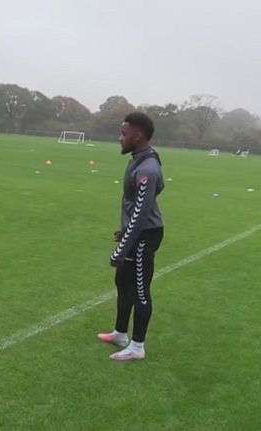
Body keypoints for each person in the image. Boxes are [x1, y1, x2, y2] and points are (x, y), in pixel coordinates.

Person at [98, 112, 165, 361]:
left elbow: (141, 212)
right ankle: (120, 333)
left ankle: (137, 347)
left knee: (140, 290)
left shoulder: (148, 168)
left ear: (137, 136)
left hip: (145, 234)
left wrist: (122, 249)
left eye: (124, 134)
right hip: (135, 231)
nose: (120, 138)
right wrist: (125, 231)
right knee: (122, 281)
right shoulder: (140, 158)